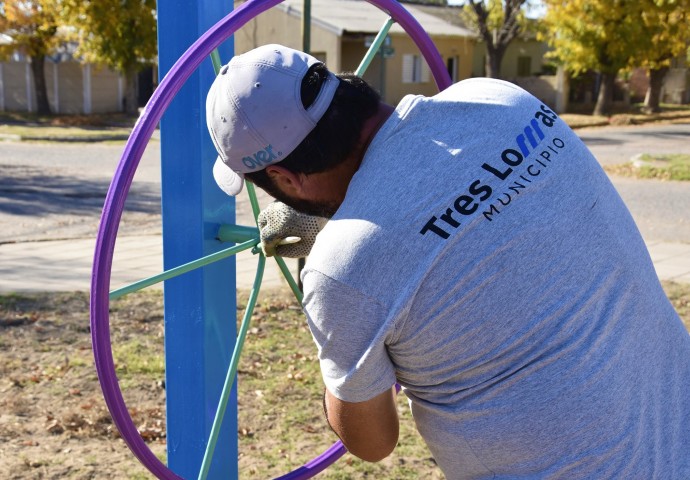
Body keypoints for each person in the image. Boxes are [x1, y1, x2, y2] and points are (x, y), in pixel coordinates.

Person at [206, 44, 690, 478]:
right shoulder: (502, 100)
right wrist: (353, 228)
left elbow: (373, 443)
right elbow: (467, 221)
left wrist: (338, 279)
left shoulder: (342, 271)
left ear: (285, 180)